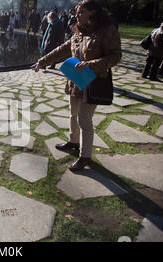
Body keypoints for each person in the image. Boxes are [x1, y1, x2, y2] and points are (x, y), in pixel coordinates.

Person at [31, 1, 121, 171]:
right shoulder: (79, 31)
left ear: (93, 12)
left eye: (81, 12)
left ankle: (85, 156)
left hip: (93, 81)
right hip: (76, 81)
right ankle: (73, 142)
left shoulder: (107, 30)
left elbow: (116, 56)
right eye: (77, 12)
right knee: (73, 114)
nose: (77, 15)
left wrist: (91, 64)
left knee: (84, 119)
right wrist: (41, 62)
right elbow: (62, 49)